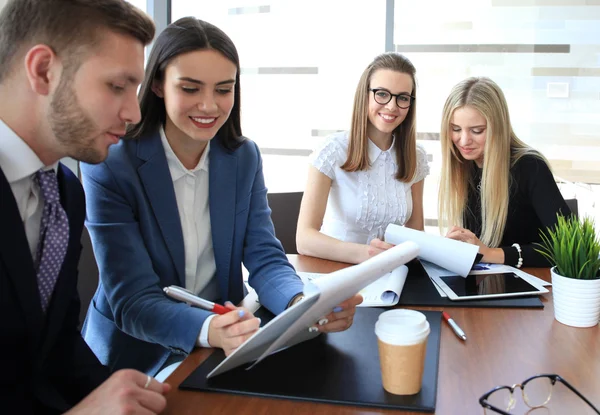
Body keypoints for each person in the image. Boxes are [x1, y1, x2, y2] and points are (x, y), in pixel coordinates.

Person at [80, 17, 362, 378]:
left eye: (224, 89)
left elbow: (265, 257)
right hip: (134, 359)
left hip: (223, 345)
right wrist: (207, 329)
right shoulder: (112, 164)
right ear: (158, 85)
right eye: (191, 89)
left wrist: (302, 305)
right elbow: (133, 300)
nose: (209, 106)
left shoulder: (243, 157)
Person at [0, 0, 170, 413]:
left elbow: (54, 347)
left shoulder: (65, 192)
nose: (133, 113)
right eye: (117, 86)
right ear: (43, 71)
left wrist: (125, 395)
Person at [296, 52, 430, 265]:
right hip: (335, 272)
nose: (392, 106)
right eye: (382, 94)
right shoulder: (332, 150)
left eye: (402, 98)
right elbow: (304, 239)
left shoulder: (417, 157)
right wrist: (368, 255)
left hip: (390, 273)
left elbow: (415, 232)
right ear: (365, 94)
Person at [438, 77, 571, 268]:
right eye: (456, 129)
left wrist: (490, 253)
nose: (464, 140)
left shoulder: (531, 166)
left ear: (497, 127)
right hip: (486, 281)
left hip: (530, 284)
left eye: (477, 130)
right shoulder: (463, 166)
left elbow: (569, 247)